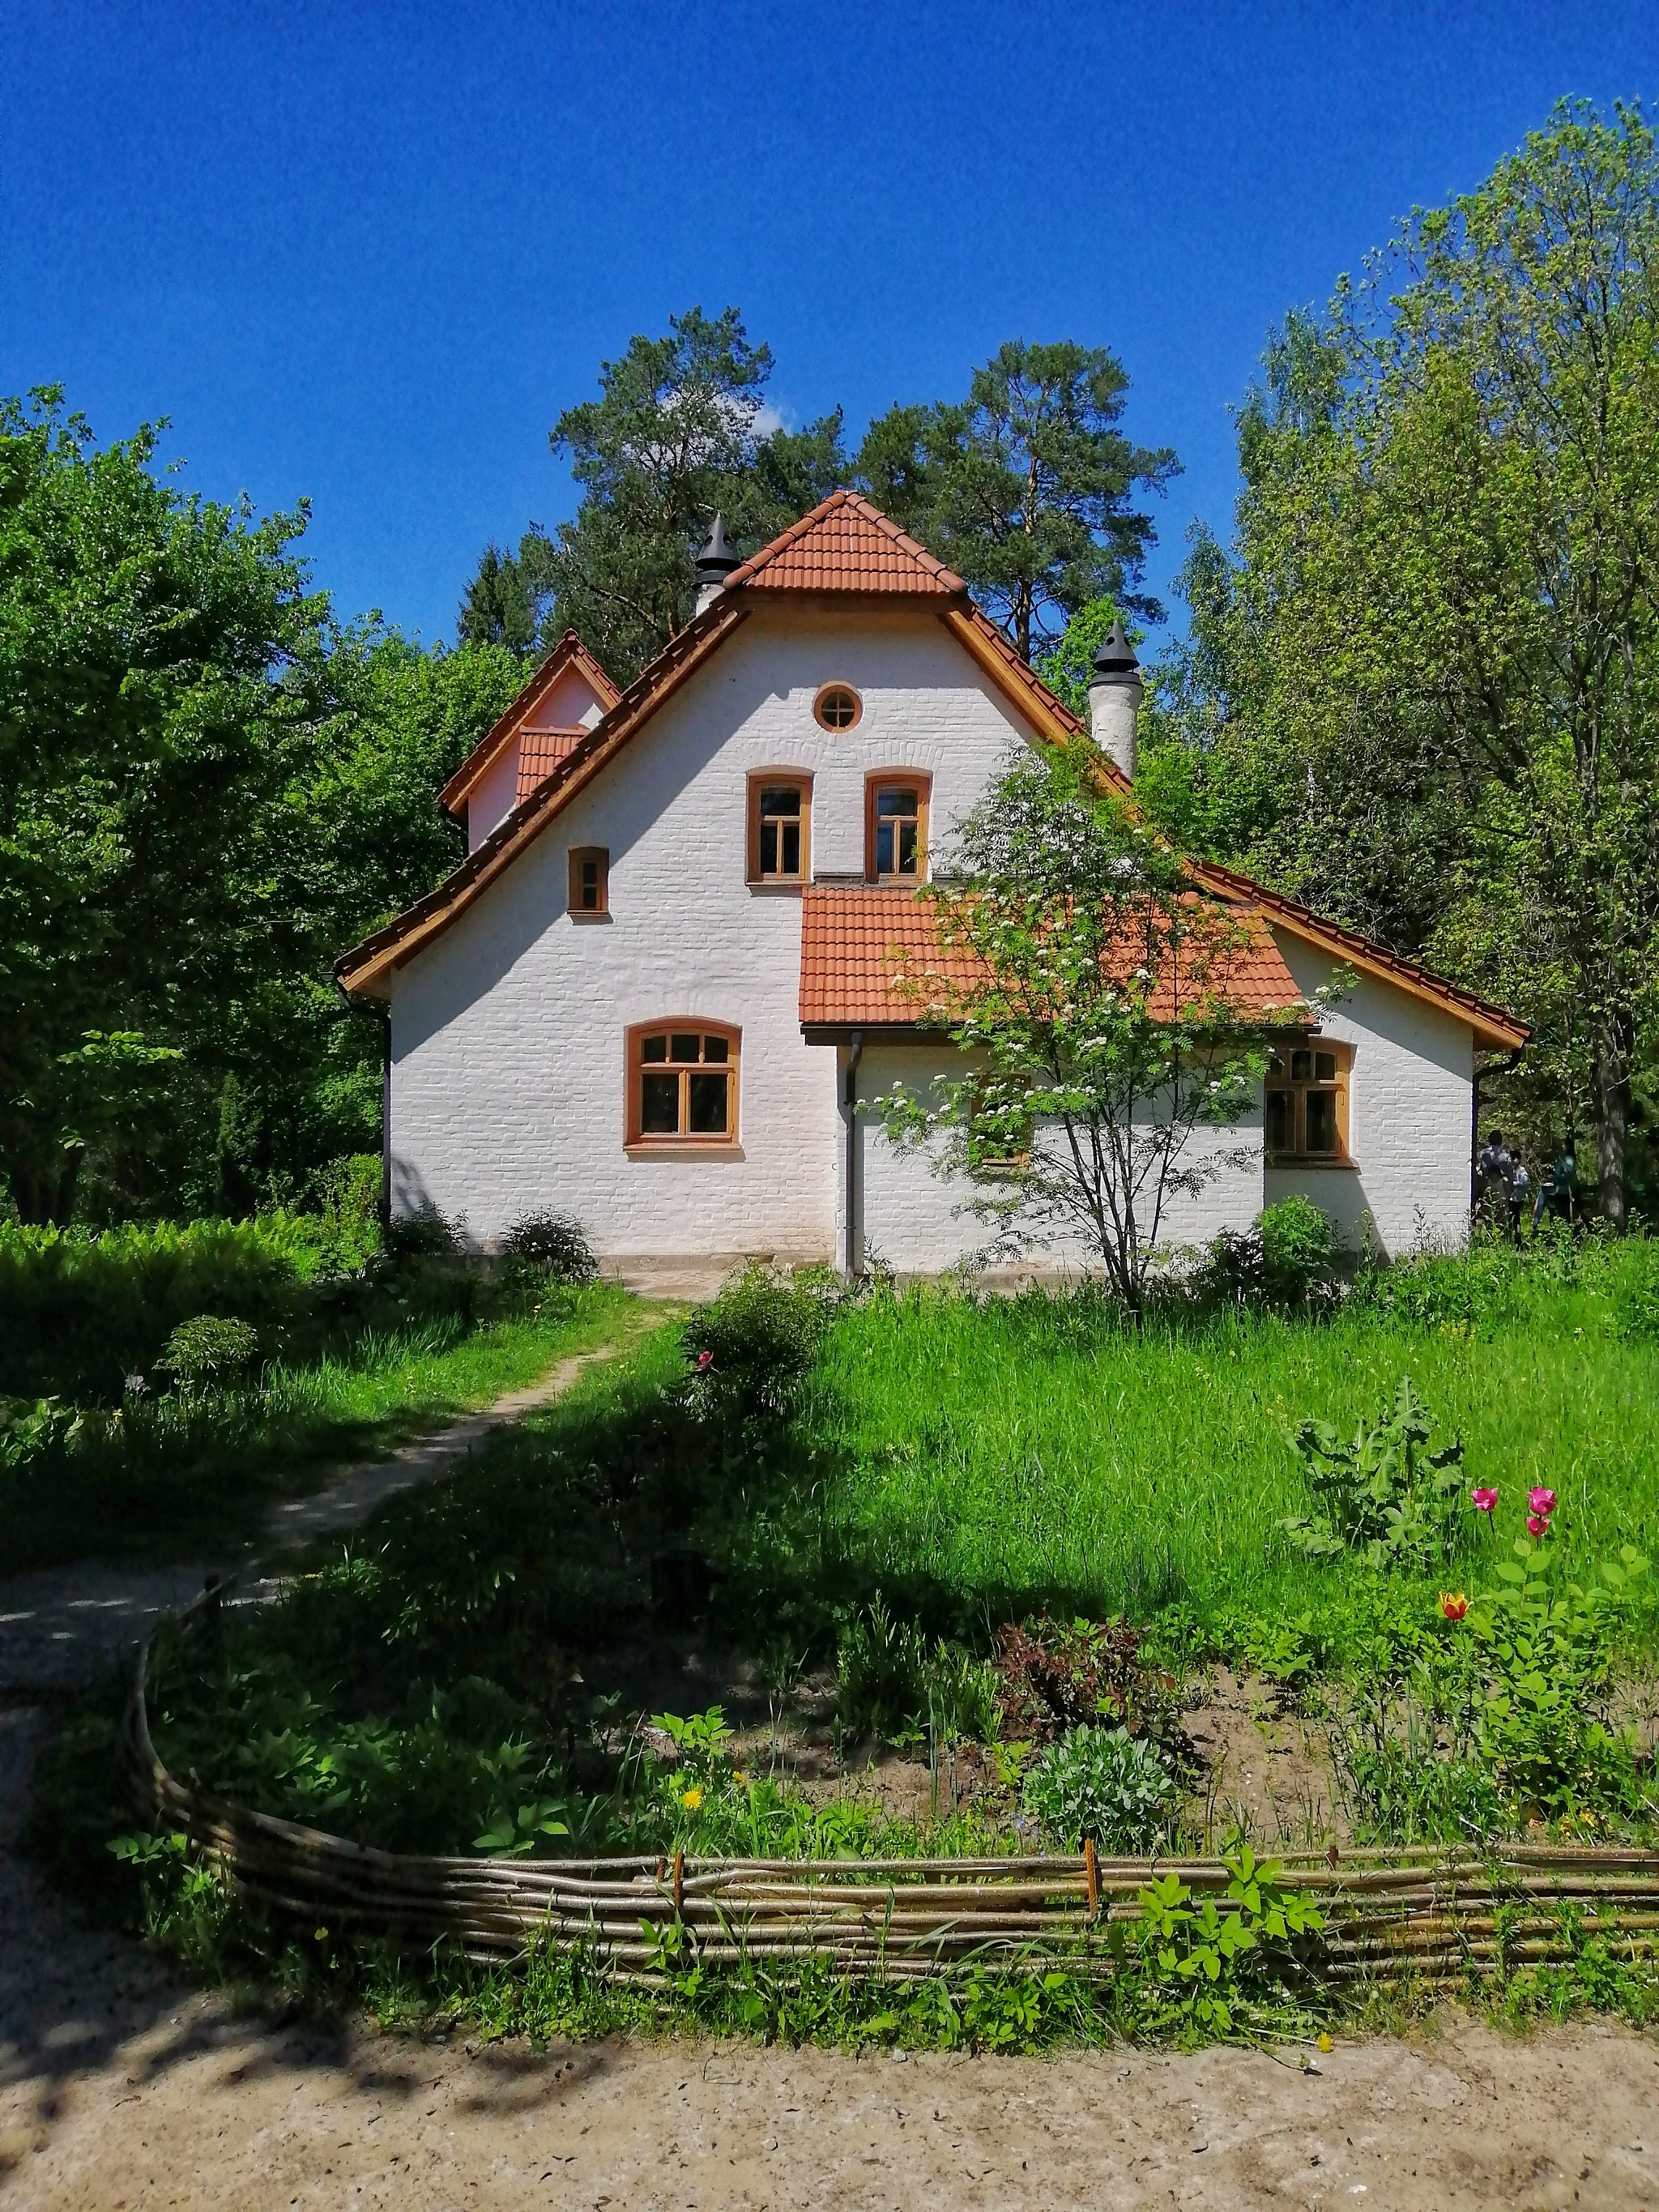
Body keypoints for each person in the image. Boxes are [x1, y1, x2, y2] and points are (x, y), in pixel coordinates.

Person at [1476, 1128, 1515, 1232]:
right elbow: (1510, 1175)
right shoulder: (1506, 1155)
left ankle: (1488, 1231)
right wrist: (1510, 1189)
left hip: (1487, 1183)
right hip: (1502, 1184)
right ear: (1501, 1140)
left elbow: (1482, 1170)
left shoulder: (1484, 1153)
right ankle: (1500, 1232)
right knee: (1501, 1210)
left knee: (1487, 1209)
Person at [1533, 1144, 1577, 1230]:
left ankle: (1536, 1224)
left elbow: (1569, 1171)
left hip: (1563, 1189)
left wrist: (1562, 1162)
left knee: (1542, 1194)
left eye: (1563, 1145)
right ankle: (1536, 1223)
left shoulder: (1568, 1159)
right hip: (1556, 1186)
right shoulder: (1560, 1158)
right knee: (1542, 1194)